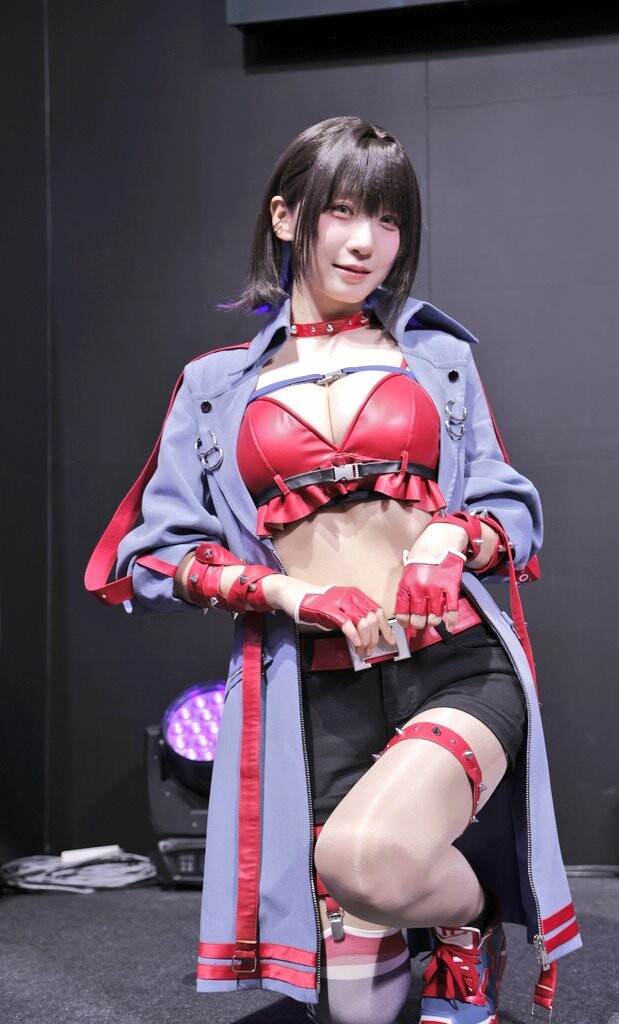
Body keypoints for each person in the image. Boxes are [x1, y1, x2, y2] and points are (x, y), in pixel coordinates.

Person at [88, 116, 581, 1024]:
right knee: (357, 1013)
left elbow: (508, 505)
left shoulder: (439, 358)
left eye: (389, 221)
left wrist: (447, 541)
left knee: (365, 858)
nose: (367, 242)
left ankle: (470, 922)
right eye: (344, 212)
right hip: (315, 696)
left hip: (455, 660)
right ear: (287, 217)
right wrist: (288, 591)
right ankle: (450, 919)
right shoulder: (214, 386)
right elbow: (154, 555)